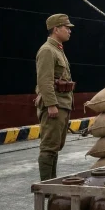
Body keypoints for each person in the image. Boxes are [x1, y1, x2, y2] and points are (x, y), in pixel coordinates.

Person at [35, 14, 76, 181]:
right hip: (55, 105)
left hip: (62, 104)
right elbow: (44, 80)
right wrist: (51, 105)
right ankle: (46, 186)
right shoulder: (47, 50)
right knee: (49, 147)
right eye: (66, 27)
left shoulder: (57, 50)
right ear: (56, 29)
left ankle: (52, 181)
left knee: (55, 146)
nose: (69, 31)